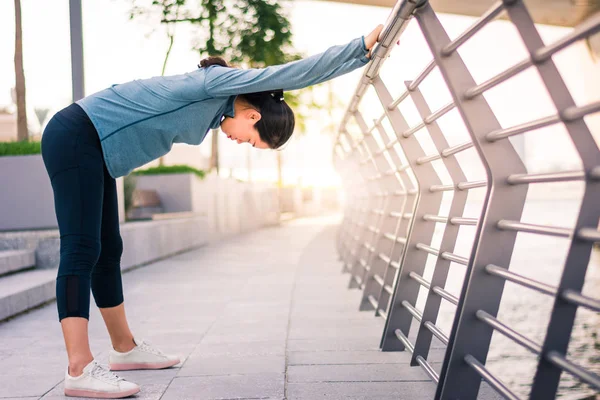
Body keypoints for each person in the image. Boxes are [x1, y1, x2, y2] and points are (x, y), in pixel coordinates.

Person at [40, 24, 383, 398]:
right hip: (77, 136)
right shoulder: (218, 84)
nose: (241, 143)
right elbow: (293, 74)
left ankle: (124, 349)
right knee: (81, 249)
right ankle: (79, 369)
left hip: (96, 150)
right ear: (253, 117)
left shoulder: (219, 102)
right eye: (252, 141)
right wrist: (359, 49)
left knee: (109, 251)